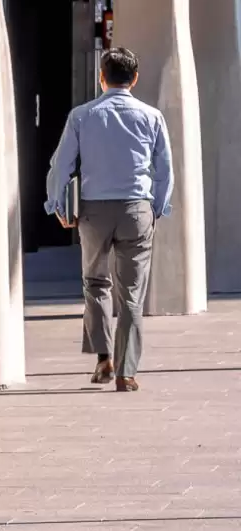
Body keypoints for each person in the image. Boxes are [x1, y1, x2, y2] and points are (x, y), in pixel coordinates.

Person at [45, 46, 174, 392]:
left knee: (95, 283)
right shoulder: (152, 116)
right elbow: (164, 171)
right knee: (131, 293)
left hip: (94, 210)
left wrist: (56, 205)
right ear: (135, 79)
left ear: (101, 78)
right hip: (137, 209)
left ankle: (103, 358)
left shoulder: (82, 116)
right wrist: (158, 208)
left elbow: (61, 165)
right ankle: (126, 372)